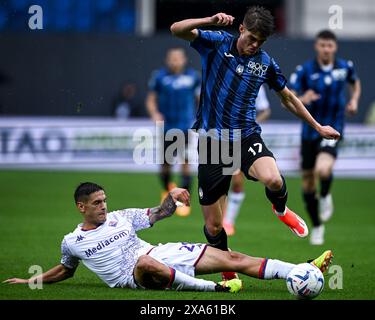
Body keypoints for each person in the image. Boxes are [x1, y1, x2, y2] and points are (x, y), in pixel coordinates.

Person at [170, 6, 340, 280]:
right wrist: (209, 20)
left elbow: (287, 98)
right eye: (251, 38)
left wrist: (318, 126)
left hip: (246, 136)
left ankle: (281, 209)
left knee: (273, 179)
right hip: (213, 144)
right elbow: (177, 28)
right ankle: (228, 272)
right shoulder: (216, 42)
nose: (254, 45)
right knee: (213, 227)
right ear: (241, 29)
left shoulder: (265, 63)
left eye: (261, 41)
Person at [3, 182, 333, 293]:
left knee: (231, 256)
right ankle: (214, 289)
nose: (105, 206)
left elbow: (158, 213)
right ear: (81, 207)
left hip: (161, 253)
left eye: (105, 200)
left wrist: (173, 197)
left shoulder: (121, 217)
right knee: (146, 261)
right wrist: (31, 282)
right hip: (133, 275)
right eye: (97, 203)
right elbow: (66, 269)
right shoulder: (71, 241)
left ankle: (299, 271)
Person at [289, 30, 361, 245]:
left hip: (334, 128)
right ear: (317, 47)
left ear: (335, 47)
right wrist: (303, 97)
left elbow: (355, 83)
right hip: (309, 131)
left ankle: (327, 194)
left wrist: (354, 100)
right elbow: (289, 96)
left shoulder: (345, 67)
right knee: (308, 183)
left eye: (330, 45)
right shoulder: (305, 71)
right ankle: (317, 226)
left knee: (323, 169)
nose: (326, 49)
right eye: (322, 45)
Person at [146, 47, 201, 217]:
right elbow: (151, 99)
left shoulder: (193, 77)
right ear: (167, 60)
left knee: (185, 163)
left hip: (186, 126)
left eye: (178, 58)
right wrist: (154, 112)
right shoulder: (160, 77)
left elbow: (201, 99)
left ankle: (184, 200)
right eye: (172, 58)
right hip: (167, 127)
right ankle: (167, 189)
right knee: (165, 165)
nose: (175, 61)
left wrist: (203, 116)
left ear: (184, 60)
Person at [223, 84, 271, 236]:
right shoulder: (223, 79)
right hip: (221, 135)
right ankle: (220, 221)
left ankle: (228, 221)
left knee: (237, 181)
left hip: (243, 137)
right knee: (221, 181)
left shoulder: (255, 83)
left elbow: (265, 110)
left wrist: (252, 123)